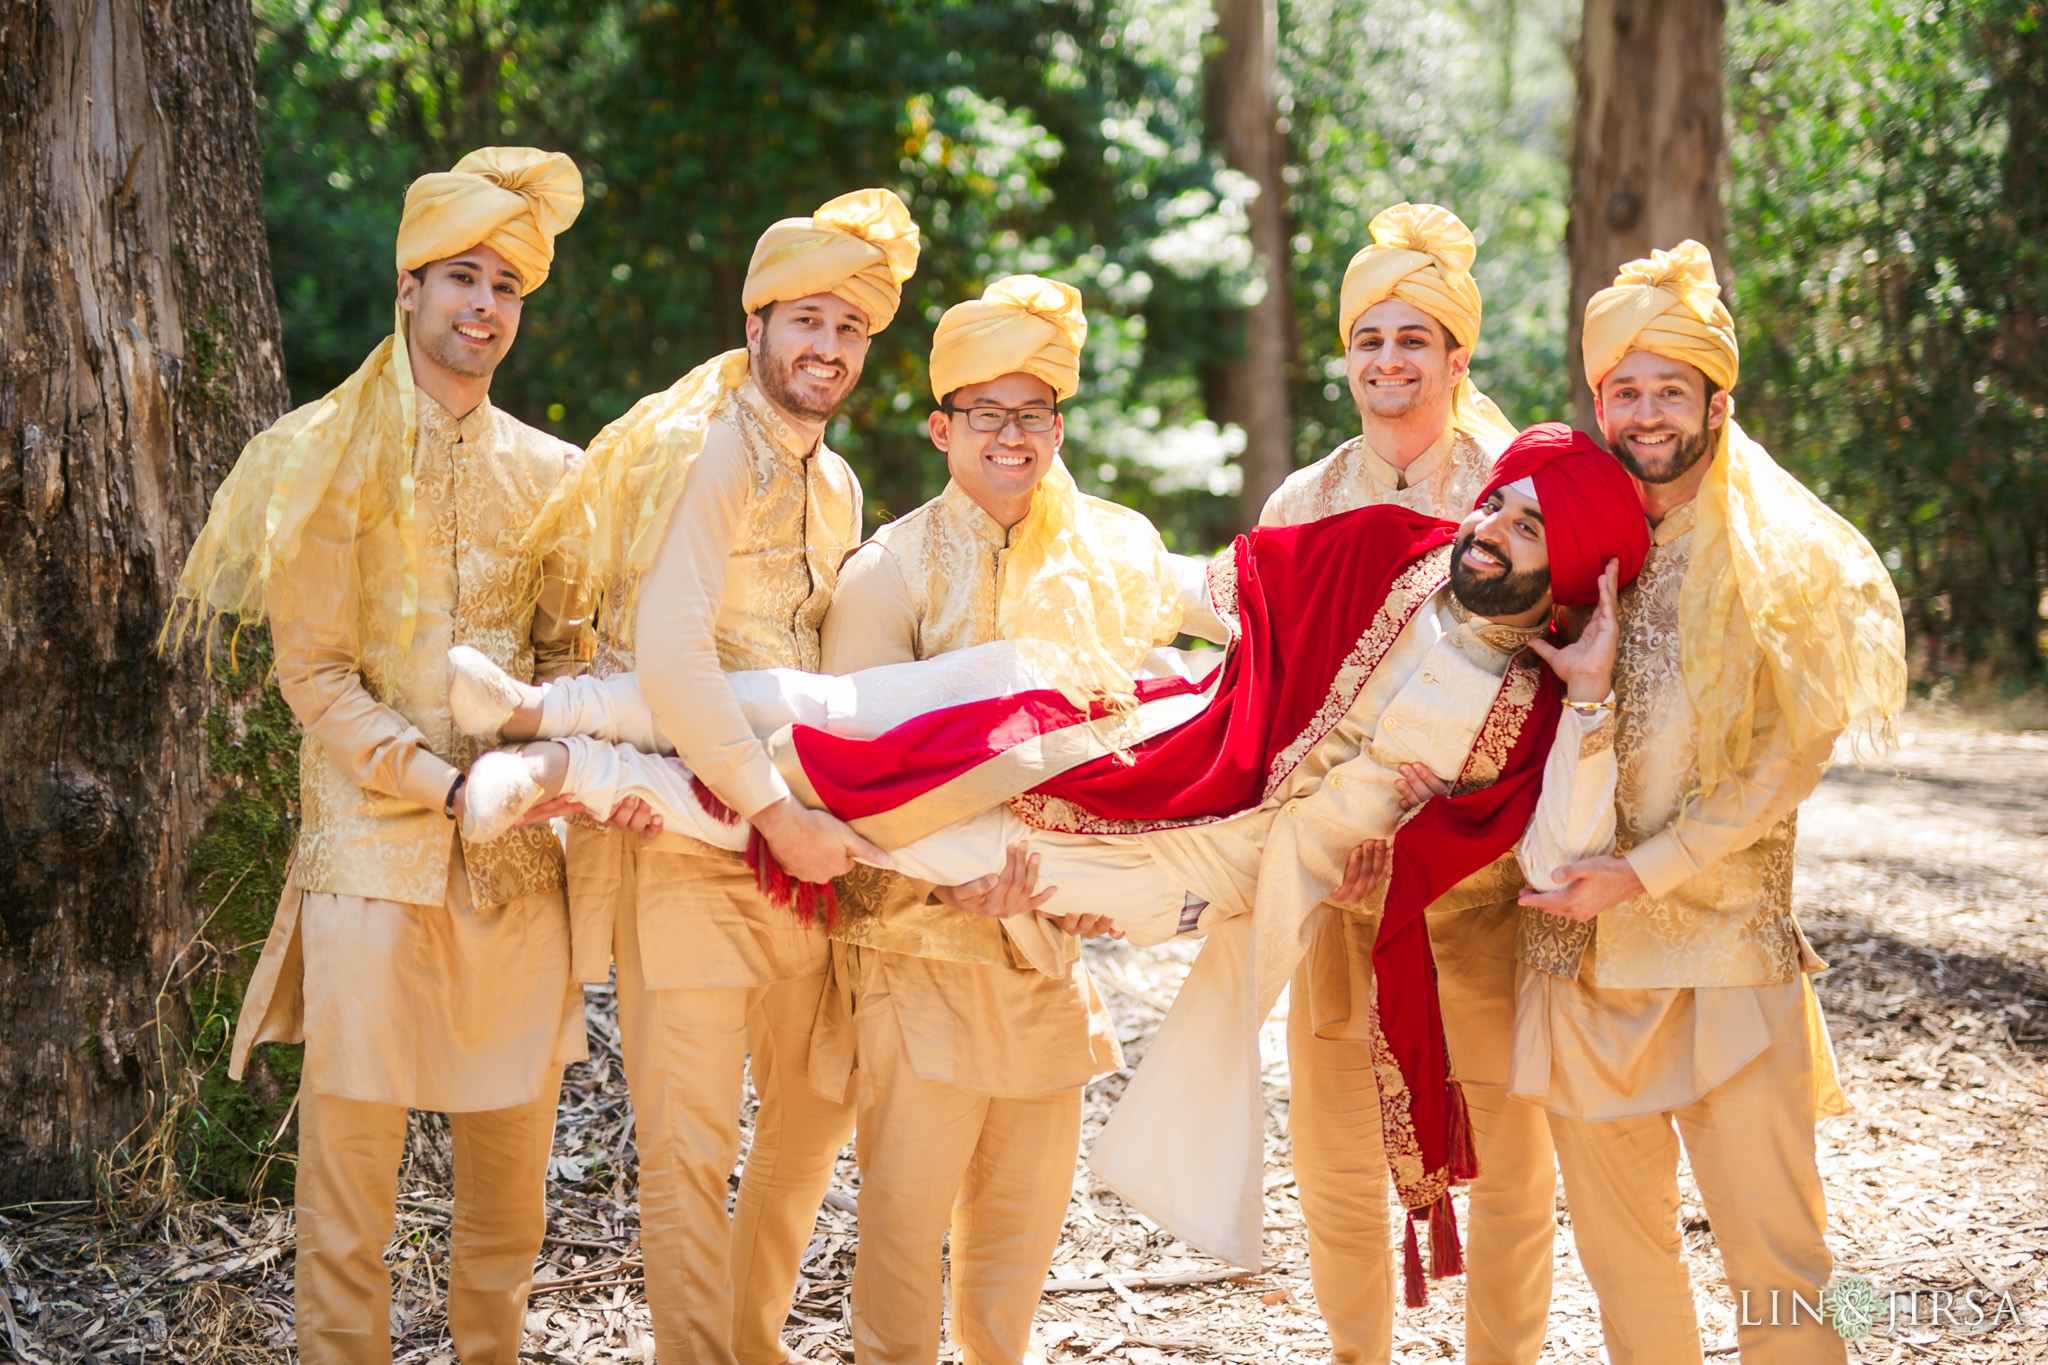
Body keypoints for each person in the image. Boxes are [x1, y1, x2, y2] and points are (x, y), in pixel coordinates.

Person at [451, 425, 1647, 1309]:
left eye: (1527, 528)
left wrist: (1590, 697)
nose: (1488, 531)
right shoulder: (1398, 550)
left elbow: (1548, 851)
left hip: (1193, 861)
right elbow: (1203, 589)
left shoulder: (1538, 714)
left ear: (1575, 558)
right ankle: (549, 710)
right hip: (1158, 729)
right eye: (1496, 506)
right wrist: (1080, 554)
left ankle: (577, 776)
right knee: (865, 711)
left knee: (891, 831)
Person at [168, 148, 601, 1365]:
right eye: (461, 276)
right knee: (347, 1201)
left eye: (507, 286)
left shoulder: (555, 476)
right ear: (406, 287)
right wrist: (440, 783)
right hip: (369, 857)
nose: (484, 305)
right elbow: (313, 676)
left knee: (508, 1199)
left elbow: (573, 670)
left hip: (518, 864)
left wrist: (543, 773)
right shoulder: (318, 457)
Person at [510, 189, 920, 1365]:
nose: (826, 348)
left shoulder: (834, 485)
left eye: (849, 329)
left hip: (798, 850)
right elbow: (673, 655)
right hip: (698, 840)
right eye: (806, 321)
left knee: (813, 1107)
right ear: (755, 327)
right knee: (687, 1147)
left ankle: (750, 1341)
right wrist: (776, 810)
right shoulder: (708, 450)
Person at [813, 275, 1223, 1365]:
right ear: (940, 427)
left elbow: (1164, 728)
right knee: (902, 1245)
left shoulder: (1109, 555)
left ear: (1057, 425)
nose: (1011, 435)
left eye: (1032, 412)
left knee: (1013, 1255)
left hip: (1048, 957)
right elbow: (856, 779)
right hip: (915, 956)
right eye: (985, 414)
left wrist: (1111, 882)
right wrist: (959, 879)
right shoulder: (887, 571)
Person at [1514, 242, 1906, 1364]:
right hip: (1575, 962)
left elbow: (1787, 760)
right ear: (1598, 401)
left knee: (1780, 1261)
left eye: (1667, 390)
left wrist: (1643, 871)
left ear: (1713, 399)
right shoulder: (1567, 539)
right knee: (1624, 1264)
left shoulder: (1789, 556)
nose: (1644, 413)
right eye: (1622, 392)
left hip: (1725, 958)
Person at [1249, 202, 1555, 1365]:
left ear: (1455, 356)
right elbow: (1267, 696)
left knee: (1509, 1162)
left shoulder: (1515, 492)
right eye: (1367, 338)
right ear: (1344, 357)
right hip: (1337, 891)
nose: (1388, 360)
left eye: (1412, 339)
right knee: (1331, 1156)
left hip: (1481, 889)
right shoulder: (1298, 504)